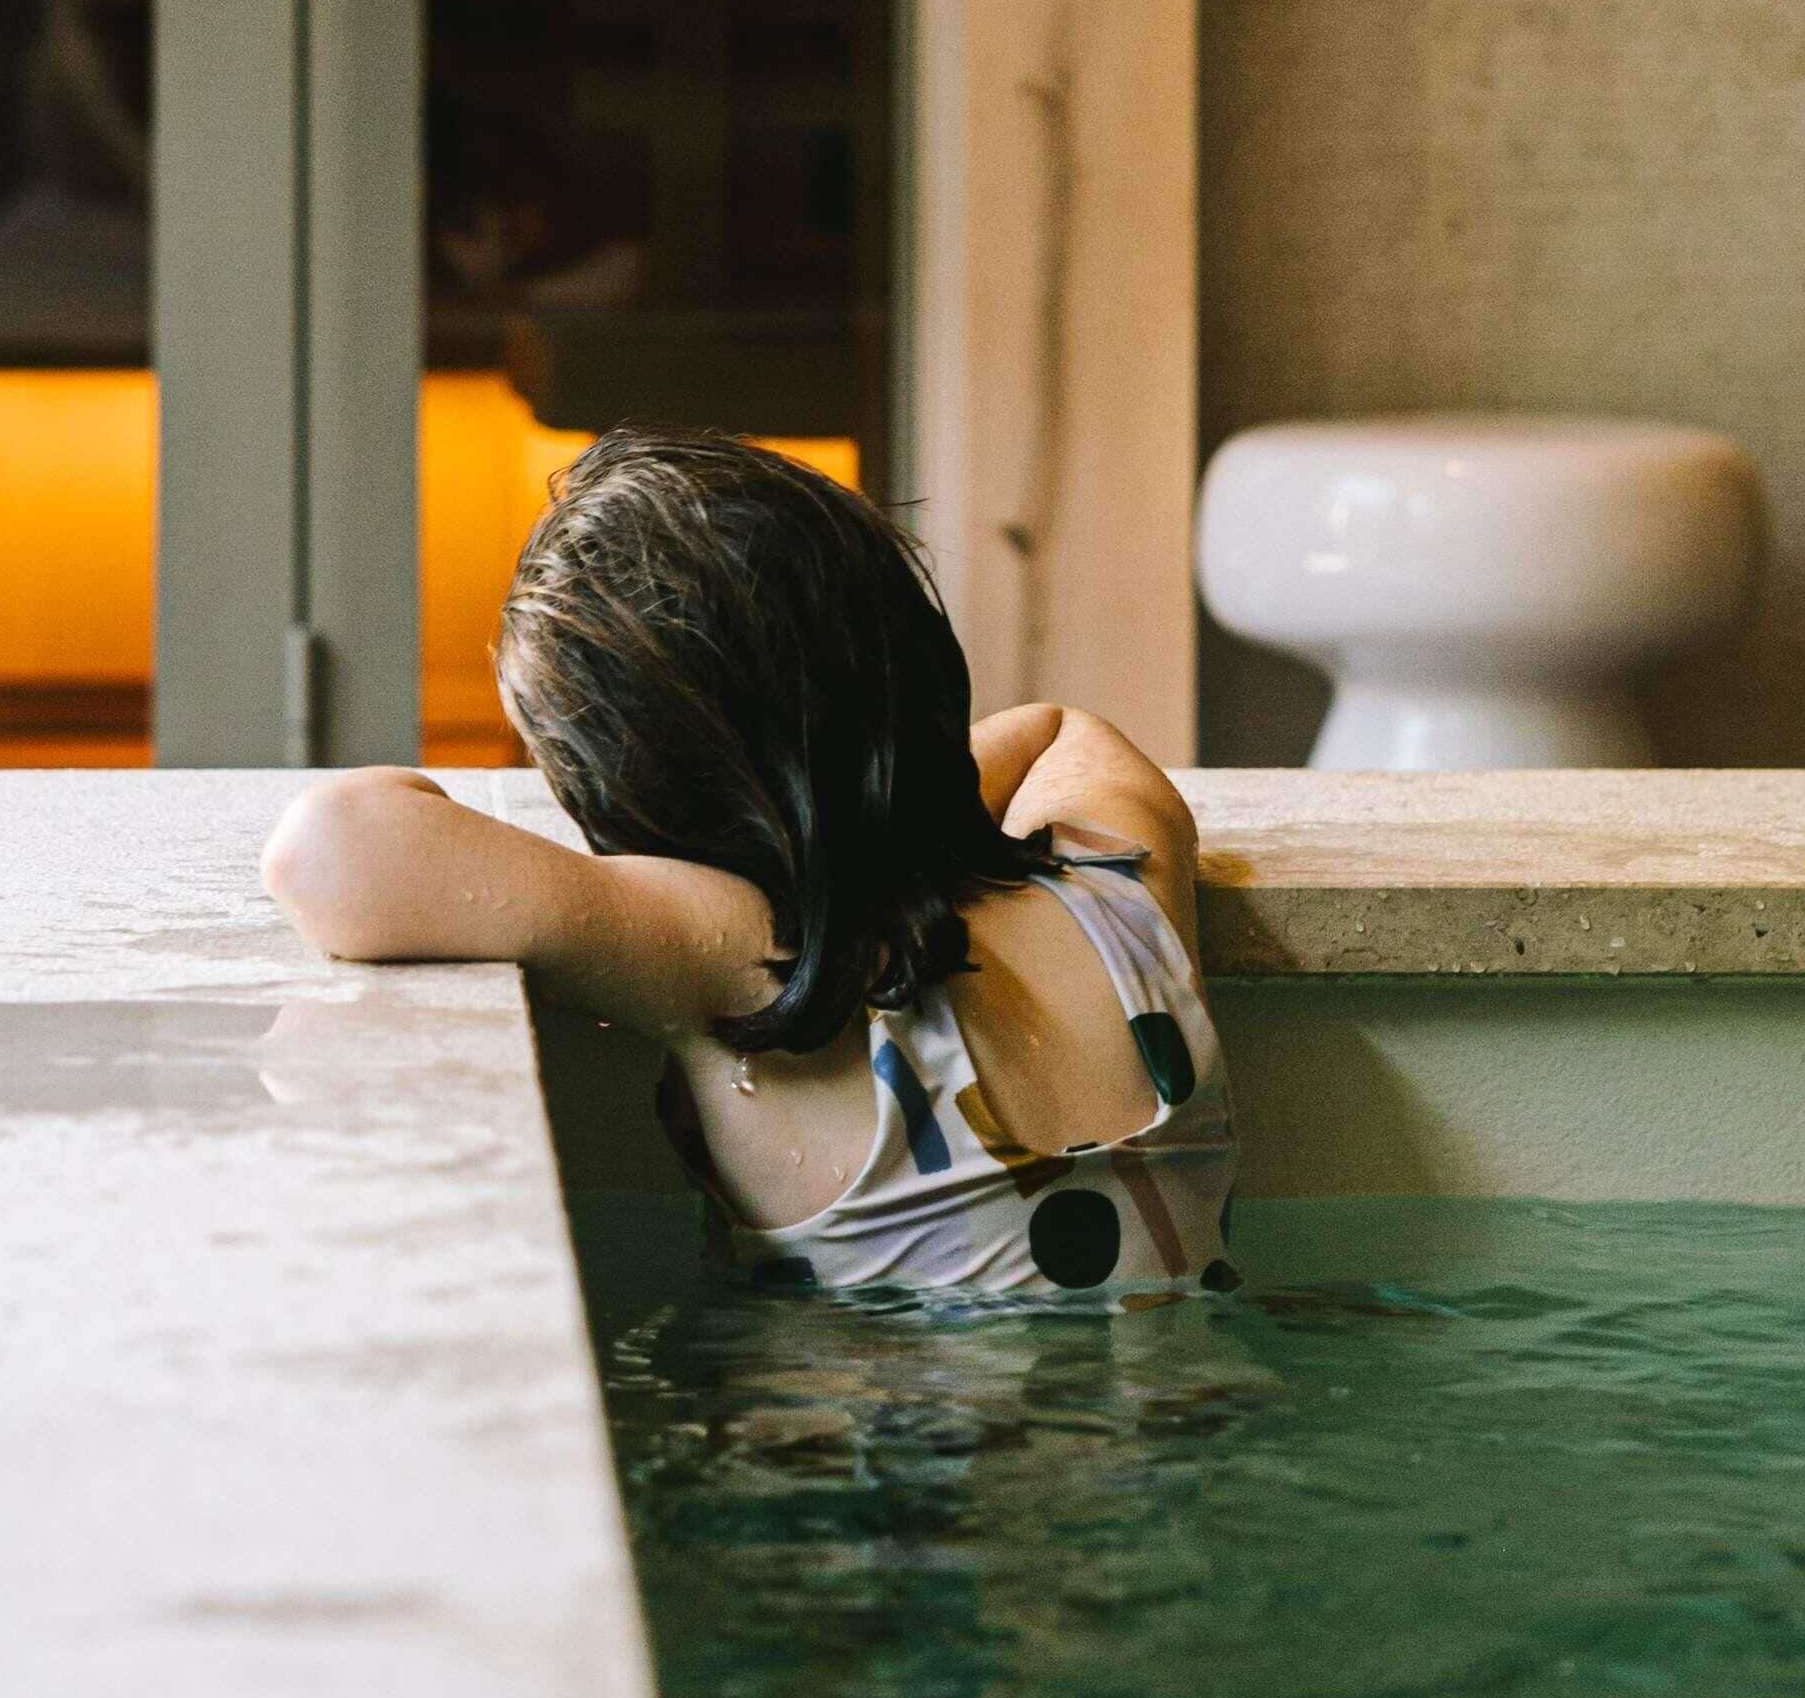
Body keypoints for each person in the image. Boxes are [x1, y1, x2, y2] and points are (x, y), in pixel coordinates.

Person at [261, 426, 1238, 1302]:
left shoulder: (738, 955)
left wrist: (802, 848)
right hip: (1182, 1424)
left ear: (629, 790)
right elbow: (1060, 729)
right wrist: (882, 807)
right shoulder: (1124, 892)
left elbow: (331, 851)